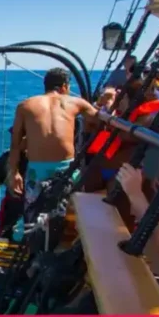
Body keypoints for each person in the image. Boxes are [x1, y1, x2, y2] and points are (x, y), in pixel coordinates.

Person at [8, 68, 98, 212]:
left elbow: (15, 144)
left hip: (36, 171)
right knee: (67, 215)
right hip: (66, 169)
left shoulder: (25, 105)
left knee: (34, 213)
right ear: (65, 86)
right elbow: (99, 120)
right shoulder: (76, 102)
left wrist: (14, 173)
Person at [0, 131, 28, 240]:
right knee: (5, 228)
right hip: (14, 200)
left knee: (31, 230)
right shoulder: (5, 158)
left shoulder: (35, 158)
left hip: (28, 200)